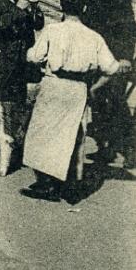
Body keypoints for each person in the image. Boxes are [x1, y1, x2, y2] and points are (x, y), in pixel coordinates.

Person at [20, 11, 130, 201]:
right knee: (69, 136)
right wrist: (96, 85)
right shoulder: (94, 36)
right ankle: (66, 184)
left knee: (42, 133)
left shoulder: (52, 30)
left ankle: (47, 184)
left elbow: (35, 56)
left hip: (54, 84)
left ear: (64, 11)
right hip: (78, 88)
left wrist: (32, 54)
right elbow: (110, 68)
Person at [60, 0, 136, 166]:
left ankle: (130, 150)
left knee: (116, 102)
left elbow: (127, 28)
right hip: (87, 58)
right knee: (97, 104)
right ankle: (106, 148)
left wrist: (124, 58)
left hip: (112, 57)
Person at [0, 0, 44, 164]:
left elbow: (38, 24)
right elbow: (1, 25)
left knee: (18, 107)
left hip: (21, 65)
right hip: (1, 66)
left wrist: (34, 10)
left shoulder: (24, 5)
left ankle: (16, 151)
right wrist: (20, 9)